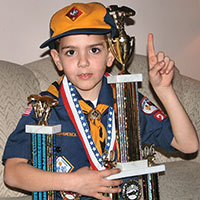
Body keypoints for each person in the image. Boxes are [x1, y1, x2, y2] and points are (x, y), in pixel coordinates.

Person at [2, 2, 198, 200]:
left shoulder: (127, 98)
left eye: (94, 50)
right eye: (71, 52)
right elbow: (13, 173)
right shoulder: (45, 106)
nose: (83, 61)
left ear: (111, 54)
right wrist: (74, 182)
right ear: (57, 59)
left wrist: (164, 91)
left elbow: (188, 145)